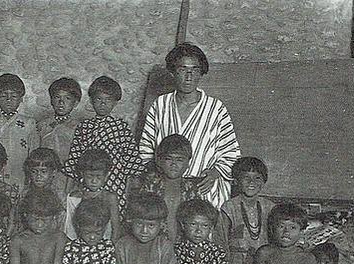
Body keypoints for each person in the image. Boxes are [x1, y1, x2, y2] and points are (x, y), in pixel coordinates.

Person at [139, 42, 240, 210]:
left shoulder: (215, 108)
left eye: (194, 70)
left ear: (201, 73)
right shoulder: (161, 105)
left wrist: (215, 173)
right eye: (182, 69)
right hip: (165, 188)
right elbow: (146, 149)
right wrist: (156, 175)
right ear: (172, 72)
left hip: (203, 188)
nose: (188, 76)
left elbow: (231, 152)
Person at [64, 76, 143, 214]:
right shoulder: (85, 126)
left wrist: (128, 190)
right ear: (91, 101)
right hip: (89, 179)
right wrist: (68, 189)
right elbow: (74, 157)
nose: (103, 104)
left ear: (115, 103)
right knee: (88, 214)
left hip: (115, 180)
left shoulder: (121, 126)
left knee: (112, 213)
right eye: (99, 99)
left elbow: (131, 159)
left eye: (108, 100)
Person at [129, 133, 201, 242]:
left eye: (180, 160)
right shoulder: (151, 185)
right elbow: (140, 216)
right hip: (155, 246)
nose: (174, 164)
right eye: (169, 159)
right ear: (159, 161)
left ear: (188, 163)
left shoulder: (192, 189)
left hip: (184, 247)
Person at [0, 73, 38, 188]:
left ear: (21, 99)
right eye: (3, 95)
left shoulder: (29, 123)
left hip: (20, 178)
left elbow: (34, 155)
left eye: (14, 96)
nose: (8, 100)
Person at [64, 149, 120, 241]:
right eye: (90, 176)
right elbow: (70, 227)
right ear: (82, 174)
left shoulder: (109, 197)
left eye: (98, 177)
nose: (94, 181)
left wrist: (111, 248)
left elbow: (116, 228)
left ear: (106, 176)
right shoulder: (74, 197)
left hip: (105, 245)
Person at [37, 77, 82, 164]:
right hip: (44, 173)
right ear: (51, 100)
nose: (61, 102)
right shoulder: (42, 125)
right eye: (57, 97)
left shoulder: (80, 127)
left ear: (75, 103)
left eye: (67, 98)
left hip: (69, 174)